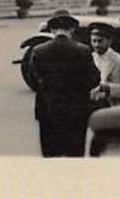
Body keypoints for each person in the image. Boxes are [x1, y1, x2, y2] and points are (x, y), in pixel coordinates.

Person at [23, 10, 101, 157]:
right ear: (72, 29)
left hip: (48, 109)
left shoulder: (38, 50)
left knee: (50, 154)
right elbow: (94, 79)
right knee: (74, 155)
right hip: (76, 111)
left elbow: (32, 78)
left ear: (52, 30)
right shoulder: (83, 50)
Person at [87, 22, 120, 108]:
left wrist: (108, 88)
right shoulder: (89, 58)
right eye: (93, 41)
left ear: (109, 41)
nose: (96, 45)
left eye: (100, 41)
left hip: (114, 107)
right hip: (94, 106)